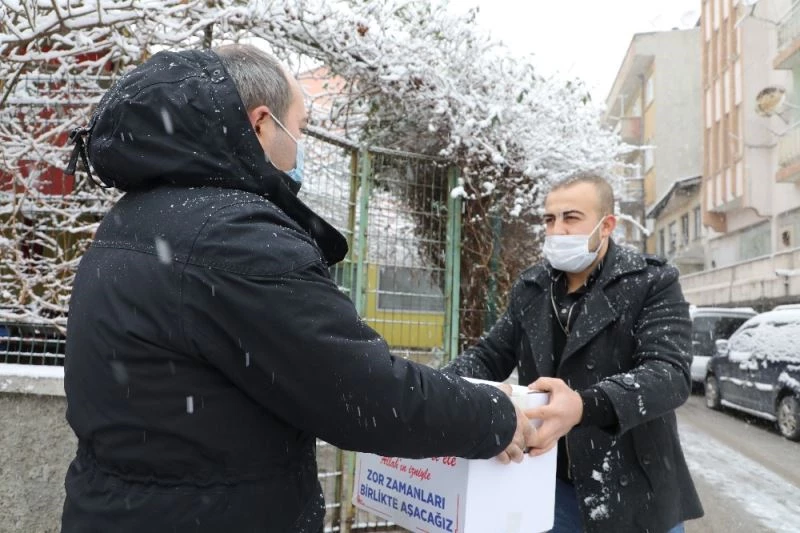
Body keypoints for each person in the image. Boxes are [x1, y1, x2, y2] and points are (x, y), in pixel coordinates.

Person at [60, 44, 538, 533]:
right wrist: (492, 416)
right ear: (264, 123)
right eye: (302, 127)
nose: (301, 145)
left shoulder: (136, 218)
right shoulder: (233, 239)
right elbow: (361, 393)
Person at [442, 173, 704, 533]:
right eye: (550, 219)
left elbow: (669, 375)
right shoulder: (532, 287)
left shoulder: (651, 282)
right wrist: (441, 391)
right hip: (548, 488)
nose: (558, 230)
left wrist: (583, 405)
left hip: (637, 495)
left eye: (571, 218)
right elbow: (490, 355)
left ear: (606, 225)